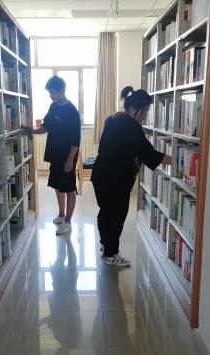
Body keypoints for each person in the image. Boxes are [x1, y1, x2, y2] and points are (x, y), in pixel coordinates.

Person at [91, 86, 172, 267]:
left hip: (102, 175)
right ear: (135, 109)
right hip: (115, 180)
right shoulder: (130, 126)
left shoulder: (114, 118)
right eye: (145, 111)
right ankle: (111, 254)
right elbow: (150, 155)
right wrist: (178, 160)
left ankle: (106, 245)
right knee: (116, 216)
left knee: (106, 213)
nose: (145, 116)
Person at [31, 76, 81, 235]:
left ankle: (68, 222)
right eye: (49, 93)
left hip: (67, 156)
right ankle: (61, 215)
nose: (50, 96)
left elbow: (76, 140)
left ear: (62, 91)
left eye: (52, 92)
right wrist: (31, 130)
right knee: (58, 186)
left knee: (69, 188)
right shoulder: (53, 107)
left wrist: (70, 160)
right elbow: (45, 127)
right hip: (55, 155)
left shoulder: (72, 111)